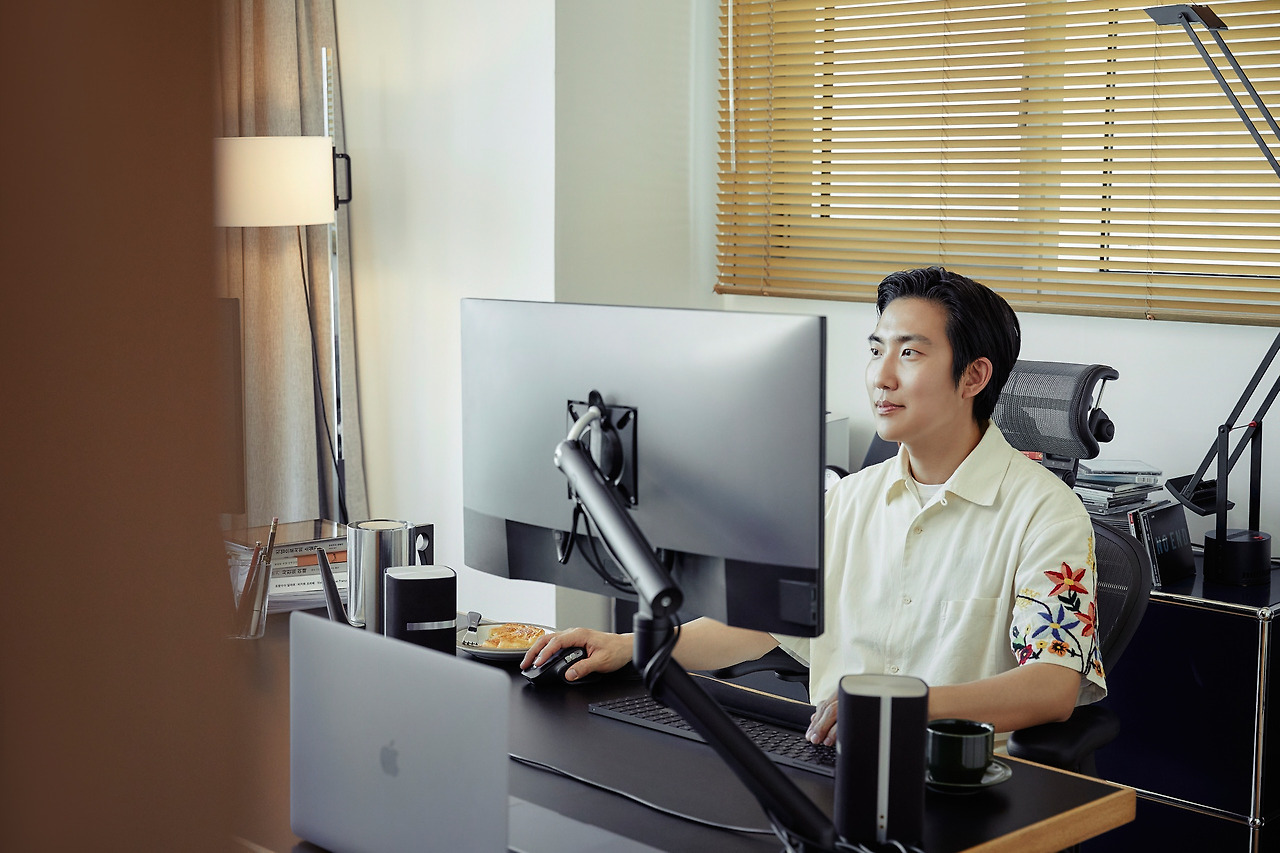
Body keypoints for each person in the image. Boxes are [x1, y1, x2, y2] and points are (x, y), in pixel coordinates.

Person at [521, 266, 1106, 746]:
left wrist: (898, 706)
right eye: (876, 350)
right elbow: (761, 627)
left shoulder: (1045, 514)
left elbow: (1052, 686)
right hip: (831, 765)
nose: (881, 377)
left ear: (974, 376)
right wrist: (629, 648)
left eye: (910, 353)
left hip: (959, 784)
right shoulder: (845, 500)